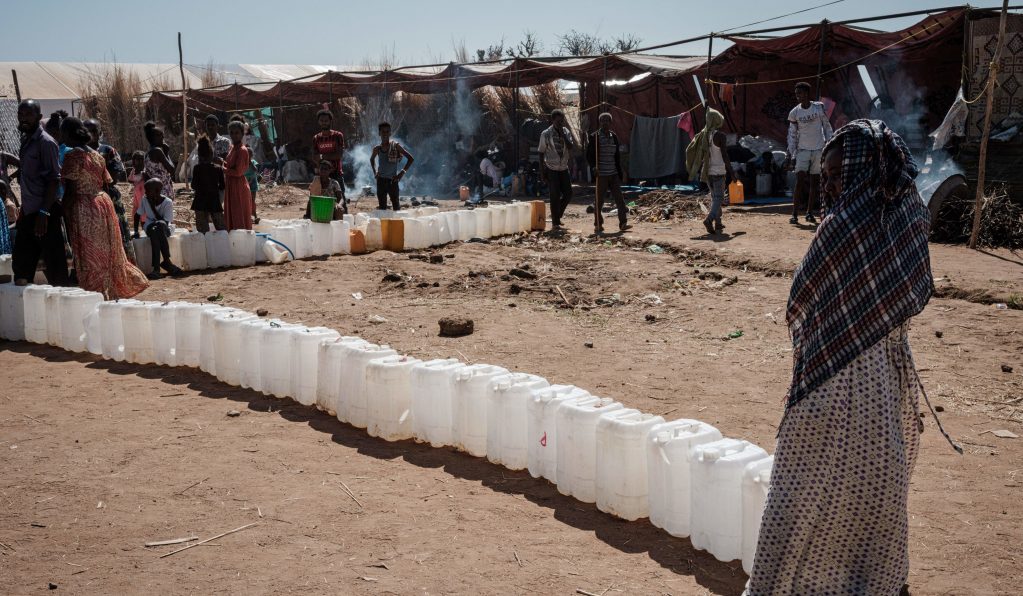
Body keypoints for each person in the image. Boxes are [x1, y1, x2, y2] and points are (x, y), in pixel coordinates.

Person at [745, 120, 957, 596]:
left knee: (801, 502)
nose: (833, 183)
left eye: (841, 171)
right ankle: (879, 584)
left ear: (866, 167)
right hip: (888, 387)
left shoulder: (844, 226)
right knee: (877, 500)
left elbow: (802, 301)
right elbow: (912, 292)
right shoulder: (909, 217)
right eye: (829, 172)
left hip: (834, 386)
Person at [60, 117, 148, 298]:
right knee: (105, 250)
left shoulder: (72, 156)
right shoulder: (97, 155)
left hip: (83, 207)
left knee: (88, 253)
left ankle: (95, 292)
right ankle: (109, 290)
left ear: (69, 134)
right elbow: (107, 181)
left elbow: (69, 189)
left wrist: (63, 212)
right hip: (103, 204)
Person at [11, 100, 68, 286]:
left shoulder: (46, 142)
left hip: (45, 213)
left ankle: (63, 309)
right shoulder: (26, 140)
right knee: (21, 264)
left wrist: (44, 213)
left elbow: (53, 179)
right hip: (29, 212)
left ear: (38, 116)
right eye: (21, 114)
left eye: (28, 114)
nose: (23, 118)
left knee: (55, 267)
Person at [786, 81, 833, 225]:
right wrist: (791, 153)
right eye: (796, 94)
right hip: (803, 150)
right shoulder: (794, 113)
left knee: (814, 182)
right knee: (799, 181)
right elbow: (792, 134)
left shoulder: (818, 108)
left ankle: (809, 213)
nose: (797, 96)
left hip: (818, 149)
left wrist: (829, 144)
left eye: (799, 93)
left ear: (806, 93)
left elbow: (827, 127)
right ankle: (794, 214)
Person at [685, 108, 735, 235]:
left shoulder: (703, 134)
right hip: (719, 172)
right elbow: (725, 156)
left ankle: (718, 223)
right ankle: (709, 220)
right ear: (717, 121)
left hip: (707, 172)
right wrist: (733, 173)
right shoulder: (720, 136)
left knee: (715, 198)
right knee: (719, 198)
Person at [83, 118, 130, 245]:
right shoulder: (78, 152)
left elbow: (114, 178)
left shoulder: (108, 150)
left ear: (100, 133)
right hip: (87, 200)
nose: (91, 134)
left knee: (116, 231)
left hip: (108, 196)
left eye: (94, 131)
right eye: (87, 131)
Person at [585, 112, 631, 235]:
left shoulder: (613, 136)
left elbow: (616, 156)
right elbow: (589, 155)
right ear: (600, 122)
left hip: (613, 173)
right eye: (603, 120)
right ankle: (598, 224)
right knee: (599, 201)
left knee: (619, 200)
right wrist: (593, 167)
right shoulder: (595, 137)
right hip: (602, 174)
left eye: (607, 120)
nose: (605, 122)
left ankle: (623, 223)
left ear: (610, 123)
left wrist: (621, 172)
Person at [134, 178, 183, 280]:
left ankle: (156, 269)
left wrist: (152, 208)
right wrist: (135, 231)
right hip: (151, 226)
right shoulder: (145, 199)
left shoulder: (167, 202)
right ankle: (166, 262)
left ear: (157, 191)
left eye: (148, 190)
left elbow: (165, 222)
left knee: (158, 227)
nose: (145, 193)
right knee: (154, 229)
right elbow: (137, 215)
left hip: (164, 228)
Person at [537, 109, 576, 229]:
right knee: (554, 195)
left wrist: (563, 134)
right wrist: (542, 172)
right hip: (551, 167)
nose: (560, 123)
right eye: (558, 121)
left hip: (563, 167)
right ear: (552, 120)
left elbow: (570, 146)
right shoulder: (546, 134)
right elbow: (541, 153)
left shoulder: (565, 131)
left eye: (562, 121)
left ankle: (557, 215)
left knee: (568, 193)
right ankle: (555, 222)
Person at [370, 122, 413, 211]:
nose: (385, 134)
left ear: (390, 133)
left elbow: (410, 159)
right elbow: (372, 159)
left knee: (396, 207)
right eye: (383, 132)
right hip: (381, 181)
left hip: (392, 181)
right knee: (382, 208)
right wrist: (375, 172)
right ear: (379, 133)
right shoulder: (377, 148)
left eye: (387, 132)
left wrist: (402, 173)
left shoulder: (395, 146)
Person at [190, 137, 227, 233]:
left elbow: (193, 185)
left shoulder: (197, 168)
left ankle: (205, 248)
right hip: (214, 202)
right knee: (221, 229)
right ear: (212, 154)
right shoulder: (218, 169)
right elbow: (223, 186)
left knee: (203, 232)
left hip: (200, 202)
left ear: (199, 155)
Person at [223, 120, 253, 230]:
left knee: (238, 215)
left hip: (239, 186)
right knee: (231, 214)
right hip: (230, 185)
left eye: (236, 133)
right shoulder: (232, 148)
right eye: (231, 133)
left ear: (242, 134)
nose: (234, 135)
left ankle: (242, 244)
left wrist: (222, 169)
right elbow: (230, 165)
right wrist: (221, 163)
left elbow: (238, 172)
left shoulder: (242, 150)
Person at [143, 121, 175, 197]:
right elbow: (172, 170)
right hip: (163, 192)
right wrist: (167, 153)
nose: (163, 138)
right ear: (153, 137)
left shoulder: (147, 153)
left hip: (155, 192)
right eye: (160, 135)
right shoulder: (157, 151)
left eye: (162, 135)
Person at [245, 155, 261, 224]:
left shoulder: (253, 162)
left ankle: (255, 216)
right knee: (246, 201)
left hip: (253, 184)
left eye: (249, 154)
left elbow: (256, 169)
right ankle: (248, 217)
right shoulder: (243, 162)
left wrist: (250, 163)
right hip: (245, 182)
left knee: (252, 201)